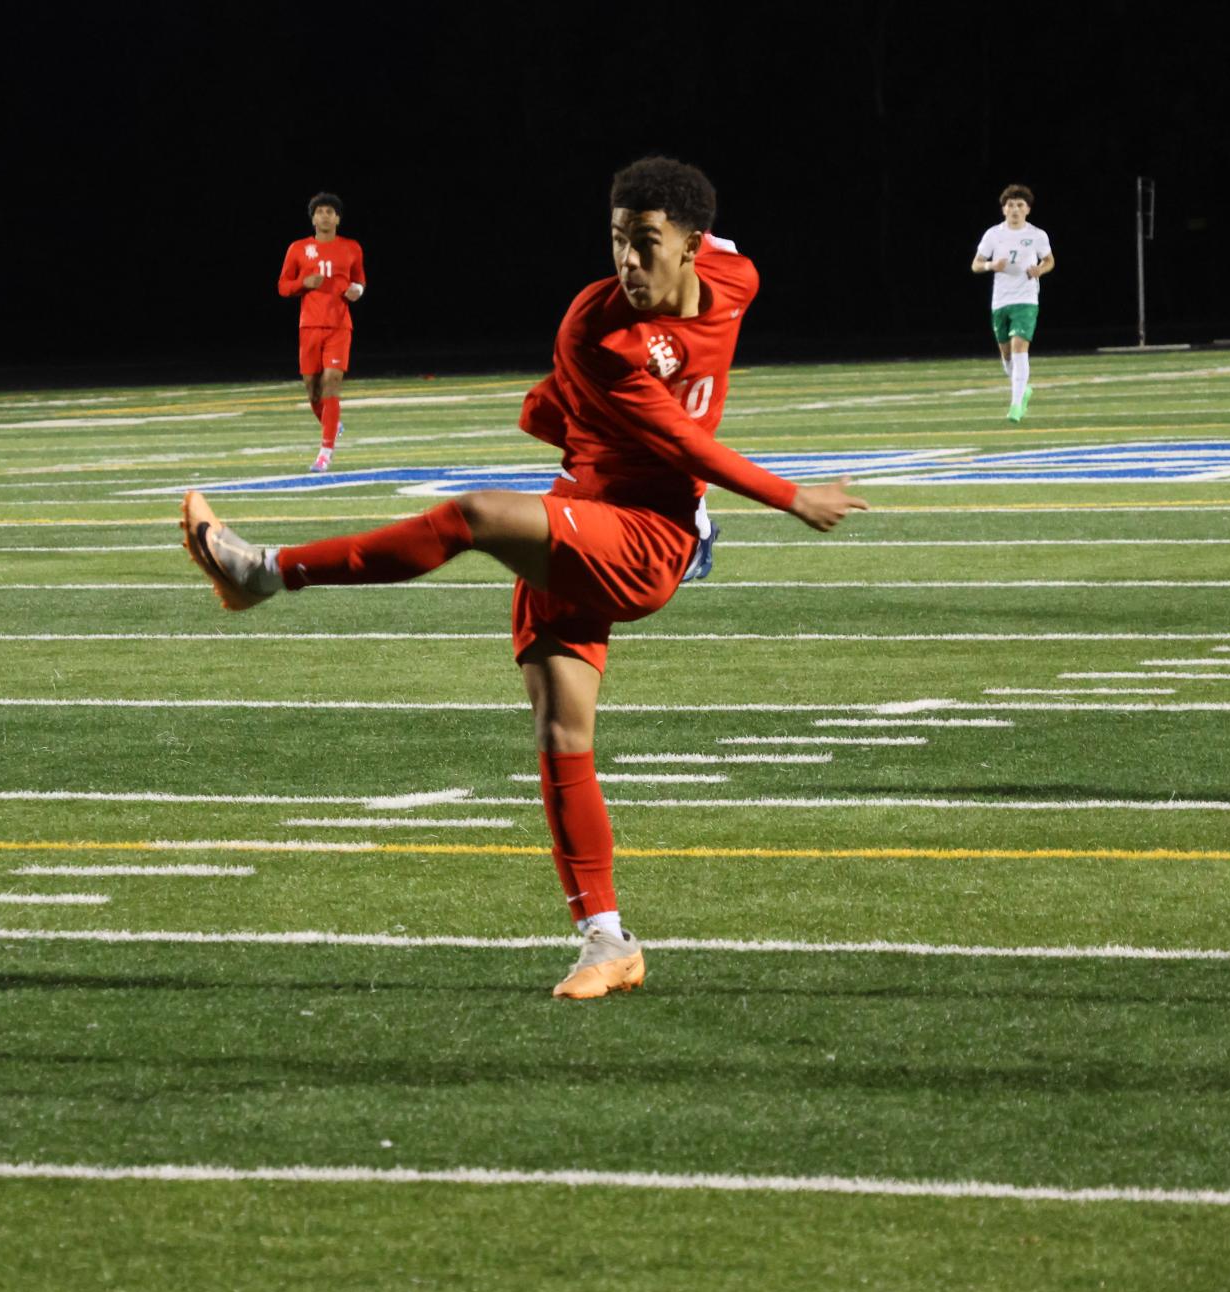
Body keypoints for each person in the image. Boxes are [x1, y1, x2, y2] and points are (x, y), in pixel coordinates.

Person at [184, 155, 867, 999]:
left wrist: (777, 495)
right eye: (616, 239)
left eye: (645, 242)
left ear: (691, 245)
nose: (626, 261)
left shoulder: (736, 276)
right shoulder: (595, 328)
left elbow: (686, 446)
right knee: (560, 736)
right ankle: (606, 940)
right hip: (585, 515)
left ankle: (264, 573)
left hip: (644, 540)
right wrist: (776, 489)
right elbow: (649, 433)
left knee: (474, 515)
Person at [276, 192, 365, 473]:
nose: (325, 216)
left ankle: (325, 453)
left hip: (340, 326)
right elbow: (283, 286)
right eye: (320, 211)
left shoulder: (351, 247)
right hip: (310, 326)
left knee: (332, 382)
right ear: (313, 218)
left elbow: (359, 280)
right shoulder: (298, 249)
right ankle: (332, 423)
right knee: (313, 391)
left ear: (338, 218)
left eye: (330, 211)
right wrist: (304, 282)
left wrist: (356, 292)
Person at [970, 185, 1055, 422]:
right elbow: (976, 264)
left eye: (1020, 205)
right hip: (1000, 301)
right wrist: (990, 266)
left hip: (1026, 299)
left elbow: (1049, 261)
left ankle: (1016, 406)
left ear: (1027, 209)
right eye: (1010, 205)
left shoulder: (1037, 235)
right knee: (1007, 358)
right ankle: (1023, 388)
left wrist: (1040, 270)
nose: (1015, 209)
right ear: (1003, 209)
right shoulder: (993, 235)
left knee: (1020, 348)